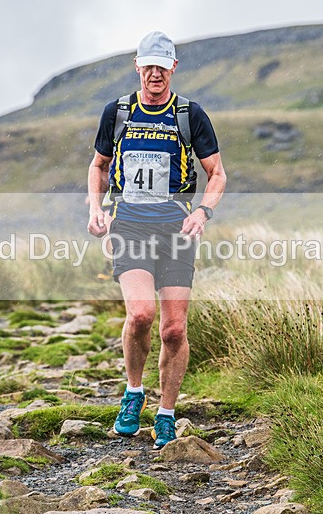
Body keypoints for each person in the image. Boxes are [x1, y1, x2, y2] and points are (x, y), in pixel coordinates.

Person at [87, 31, 227, 448]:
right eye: (147, 65)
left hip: (176, 231)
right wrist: (95, 208)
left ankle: (166, 412)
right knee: (142, 314)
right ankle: (133, 392)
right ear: (137, 66)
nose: (154, 73)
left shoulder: (189, 115)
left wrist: (203, 211)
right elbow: (98, 166)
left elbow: (216, 173)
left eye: (161, 67)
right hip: (128, 225)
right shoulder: (118, 113)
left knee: (173, 329)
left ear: (173, 69)